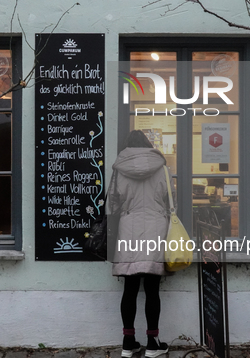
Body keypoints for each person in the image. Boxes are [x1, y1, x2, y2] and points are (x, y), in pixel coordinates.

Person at [107, 130, 171, 358]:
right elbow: (168, 198)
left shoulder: (119, 168)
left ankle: (128, 342)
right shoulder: (162, 167)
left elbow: (112, 204)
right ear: (147, 144)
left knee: (130, 289)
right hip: (156, 229)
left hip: (128, 230)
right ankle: (153, 344)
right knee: (152, 290)